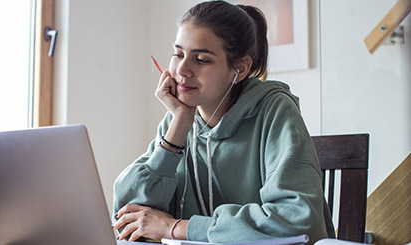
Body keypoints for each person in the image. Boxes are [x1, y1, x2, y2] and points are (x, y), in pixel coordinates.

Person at [113, 1, 335, 243]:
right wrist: (176, 132)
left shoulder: (275, 110)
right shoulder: (179, 118)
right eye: (178, 54)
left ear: (239, 69)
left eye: (202, 59)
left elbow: (297, 219)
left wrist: (174, 227)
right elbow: (128, 217)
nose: (182, 70)